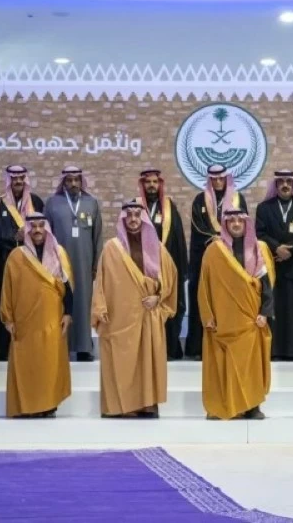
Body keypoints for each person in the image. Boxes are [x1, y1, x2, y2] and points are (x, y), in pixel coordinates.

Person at [92, 201, 177, 418]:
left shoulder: (157, 248)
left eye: (137, 215)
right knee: (120, 362)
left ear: (143, 219)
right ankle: (118, 407)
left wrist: (158, 297)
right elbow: (101, 280)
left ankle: (147, 405)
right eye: (128, 215)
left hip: (147, 315)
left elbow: (171, 277)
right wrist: (100, 307)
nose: (132, 219)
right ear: (123, 219)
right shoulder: (112, 248)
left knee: (147, 361)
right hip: (118, 317)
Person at [198, 208, 274, 420]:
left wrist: (265, 312)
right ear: (225, 224)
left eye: (240, 220)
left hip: (251, 319)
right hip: (222, 319)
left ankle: (252, 407)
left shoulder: (258, 249)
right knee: (224, 365)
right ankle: (225, 406)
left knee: (251, 365)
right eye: (231, 221)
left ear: (246, 223)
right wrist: (207, 315)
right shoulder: (214, 251)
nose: (236, 224)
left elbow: (266, 285)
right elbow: (203, 285)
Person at [0, 213, 73, 418]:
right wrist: (8, 318)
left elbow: (68, 287)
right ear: (27, 230)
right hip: (24, 321)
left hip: (52, 319)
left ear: (47, 229)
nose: (38, 230)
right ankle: (25, 407)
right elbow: (7, 289)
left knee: (49, 364)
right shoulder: (16, 256)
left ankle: (48, 406)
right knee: (27, 366)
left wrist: (68, 314)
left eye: (41, 226)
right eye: (33, 226)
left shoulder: (59, 253)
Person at [186, 165, 247, 360]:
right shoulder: (200, 200)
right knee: (203, 298)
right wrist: (215, 239)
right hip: (205, 257)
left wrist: (226, 240)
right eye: (214, 179)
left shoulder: (238, 199)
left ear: (226, 179)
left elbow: (242, 225)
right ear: (209, 180)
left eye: (221, 178)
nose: (218, 182)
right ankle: (198, 348)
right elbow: (198, 226)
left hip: (231, 257)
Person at [0, 165, 45, 360]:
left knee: (28, 303)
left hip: (31, 263)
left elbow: (45, 233)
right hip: (3, 263)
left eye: (21, 178)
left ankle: (28, 347)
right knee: (3, 304)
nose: (18, 182)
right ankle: (0, 351)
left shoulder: (36, 202)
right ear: (8, 181)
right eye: (14, 178)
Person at [255, 170, 293, 361]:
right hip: (272, 266)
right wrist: (277, 248)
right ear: (276, 185)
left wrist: (290, 250)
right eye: (281, 181)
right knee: (274, 308)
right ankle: (273, 350)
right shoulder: (264, 208)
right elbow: (260, 233)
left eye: (289, 181)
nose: (285, 185)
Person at [45, 165, 103, 361]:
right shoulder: (52, 203)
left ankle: (84, 347)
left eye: (76, 180)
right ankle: (61, 345)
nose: (73, 184)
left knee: (83, 303)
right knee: (61, 303)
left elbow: (97, 236)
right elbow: (46, 235)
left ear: (81, 181)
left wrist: (96, 264)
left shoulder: (91, 203)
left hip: (85, 263)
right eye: (69, 180)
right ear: (63, 182)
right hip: (58, 265)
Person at [136, 168, 187, 360]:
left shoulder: (168, 207)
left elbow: (179, 238)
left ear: (160, 184)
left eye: (155, 182)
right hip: (142, 267)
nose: (151, 185)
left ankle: (169, 348)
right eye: (148, 182)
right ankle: (146, 349)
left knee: (168, 303)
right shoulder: (135, 206)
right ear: (142, 184)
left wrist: (182, 268)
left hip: (167, 265)